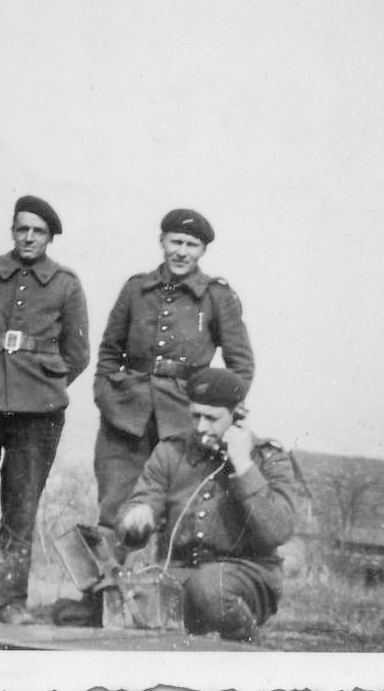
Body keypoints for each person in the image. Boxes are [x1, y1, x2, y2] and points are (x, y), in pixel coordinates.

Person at [0, 195, 90, 626]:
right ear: (12, 230)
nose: (28, 237)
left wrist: (41, 386)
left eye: (38, 232)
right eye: (21, 229)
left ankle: (9, 603)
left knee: (21, 507)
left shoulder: (66, 284)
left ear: (49, 238)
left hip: (38, 411)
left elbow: (77, 354)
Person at [92, 208, 254, 532]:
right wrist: (106, 395)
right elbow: (110, 350)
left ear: (203, 250)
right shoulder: (136, 289)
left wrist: (216, 414)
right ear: (162, 241)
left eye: (192, 245)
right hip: (125, 419)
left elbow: (241, 365)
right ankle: (106, 584)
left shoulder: (217, 296)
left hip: (183, 421)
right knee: (115, 513)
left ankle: (164, 583)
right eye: (175, 241)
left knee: (178, 513)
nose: (182, 251)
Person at [115, 368, 303, 642]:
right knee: (113, 598)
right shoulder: (171, 453)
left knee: (208, 590)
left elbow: (278, 530)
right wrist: (136, 518)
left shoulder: (270, 459)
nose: (202, 427)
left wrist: (244, 467)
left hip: (248, 574)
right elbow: (144, 499)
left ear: (238, 416)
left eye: (212, 418)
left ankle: (251, 648)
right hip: (179, 573)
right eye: (195, 416)